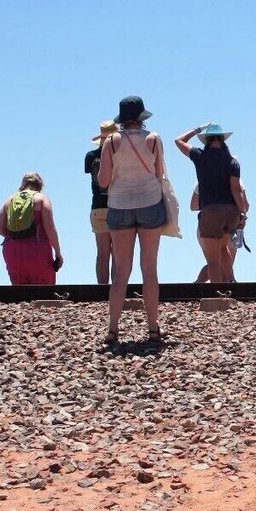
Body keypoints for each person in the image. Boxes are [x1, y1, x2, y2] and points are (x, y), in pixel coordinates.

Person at [98, 96, 167, 344]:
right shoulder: (154, 139)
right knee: (149, 269)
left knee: (121, 273)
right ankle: (152, 328)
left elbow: (104, 181)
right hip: (150, 202)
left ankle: (113, 329)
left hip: (119, 205)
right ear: (141, 117)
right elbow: (159, 173)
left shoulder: (112, 142)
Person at [174, 123, 248, 283]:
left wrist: (197, 129)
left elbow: (178, 141)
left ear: (206, 140)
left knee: (213, 261)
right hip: (231, 212)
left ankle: (217, 293)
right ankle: (230, 283)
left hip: (211, 211)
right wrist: (242, 213)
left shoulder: (200, 155)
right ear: (223, 140)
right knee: (223, 248)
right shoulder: (232, 162)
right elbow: (236, 190)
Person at [0, 172, 63, 285]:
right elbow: (50, 227)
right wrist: (58, 252)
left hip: (12, 250)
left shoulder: (9, 200)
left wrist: (15, 236)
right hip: (38, 248)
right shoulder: (42, 199)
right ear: (39, 185)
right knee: (44, 291)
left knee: (20, 294)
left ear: (23, 184)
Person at [190, 181, 249, 283]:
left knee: (214, 263)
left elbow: (193, 206)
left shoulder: (203, 179)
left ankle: (197, 287)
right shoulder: (236, 181)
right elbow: (245, 206)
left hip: (208, 223)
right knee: (223, 267)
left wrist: (211, 205)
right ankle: (224, 287)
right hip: (231, 225)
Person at [85, 120, 118, 284]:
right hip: (117, 206)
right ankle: (117, 288)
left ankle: (102, 288)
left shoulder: (91, 156)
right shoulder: (120, 155)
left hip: (98, 206)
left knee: (102, 252)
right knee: (118, 252)